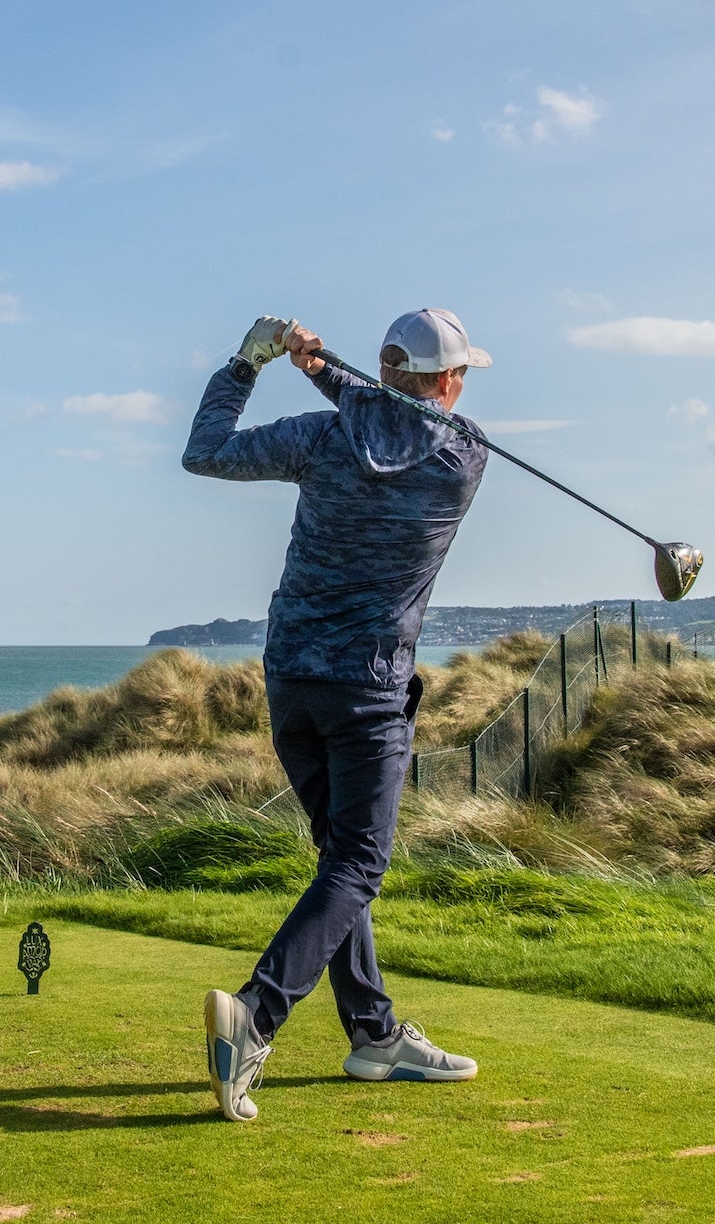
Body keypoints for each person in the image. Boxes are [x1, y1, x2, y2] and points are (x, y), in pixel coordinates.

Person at [181, 309, 492, 1122]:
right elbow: (396, 424)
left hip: (292, 679)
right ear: (451, 382)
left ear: (388, 373)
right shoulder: (464, 456)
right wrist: (322, 369)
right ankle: (255, 1015)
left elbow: (204, 450)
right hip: (370, 690)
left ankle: (374, 1034)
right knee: (358, 864)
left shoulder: (322, 438)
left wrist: (255, 361)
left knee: (338, 862)